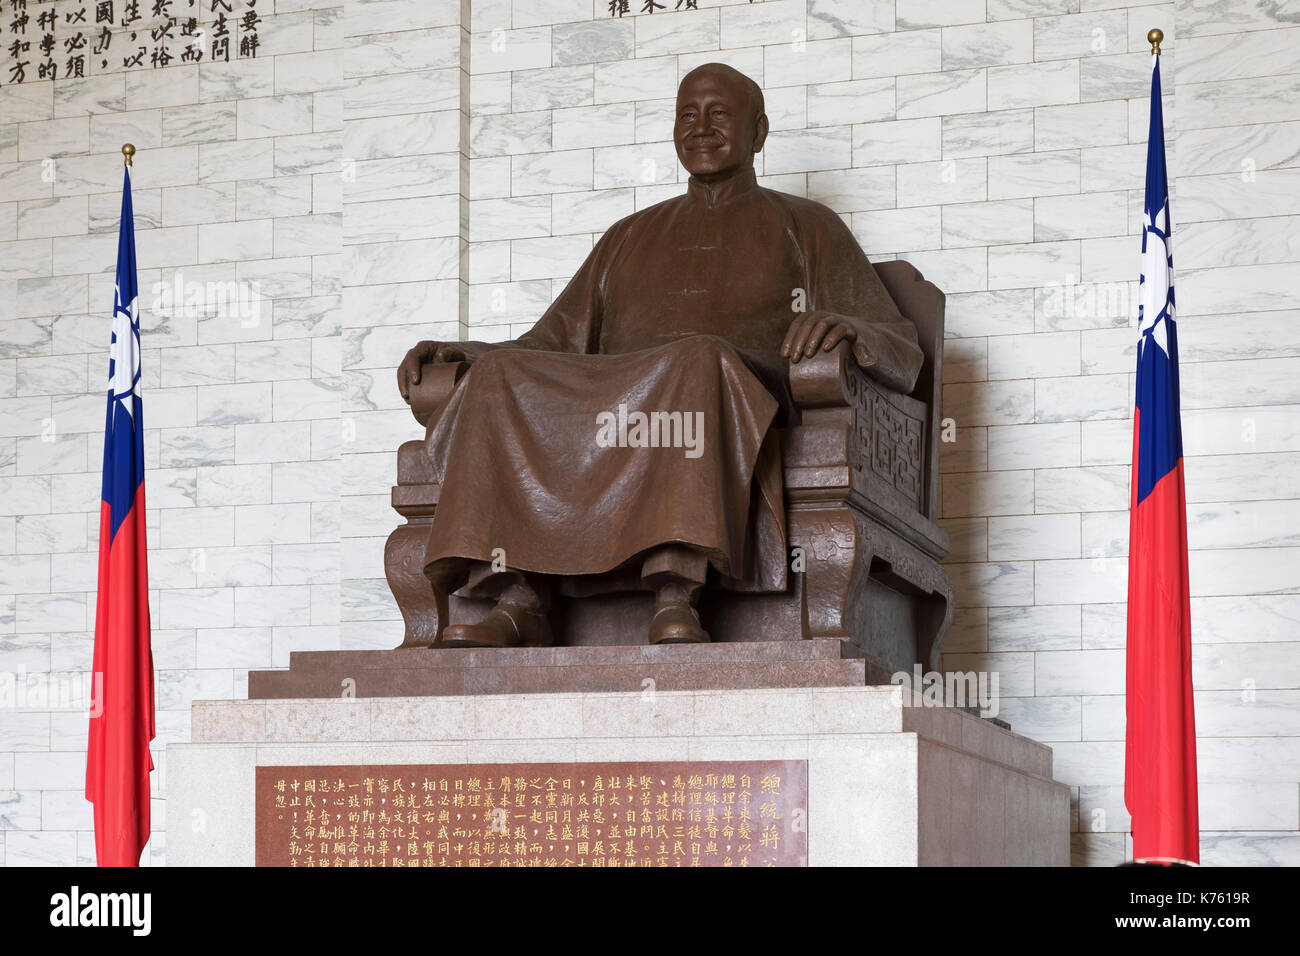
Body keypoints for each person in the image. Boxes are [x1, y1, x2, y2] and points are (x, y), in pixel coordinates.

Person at [397, 63, 923, 647]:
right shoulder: (629, 235)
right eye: (687, 115)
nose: (701, 128)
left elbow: (902, 348)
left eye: (719, 114)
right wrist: (464, 352)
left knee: (696, 358)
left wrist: (845, 324)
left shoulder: (807, 225)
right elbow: (545, 345)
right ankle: (521, 595)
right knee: (497, 373)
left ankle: (677, 593)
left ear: (760, 131)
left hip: (727, 391)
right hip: (618, 401)